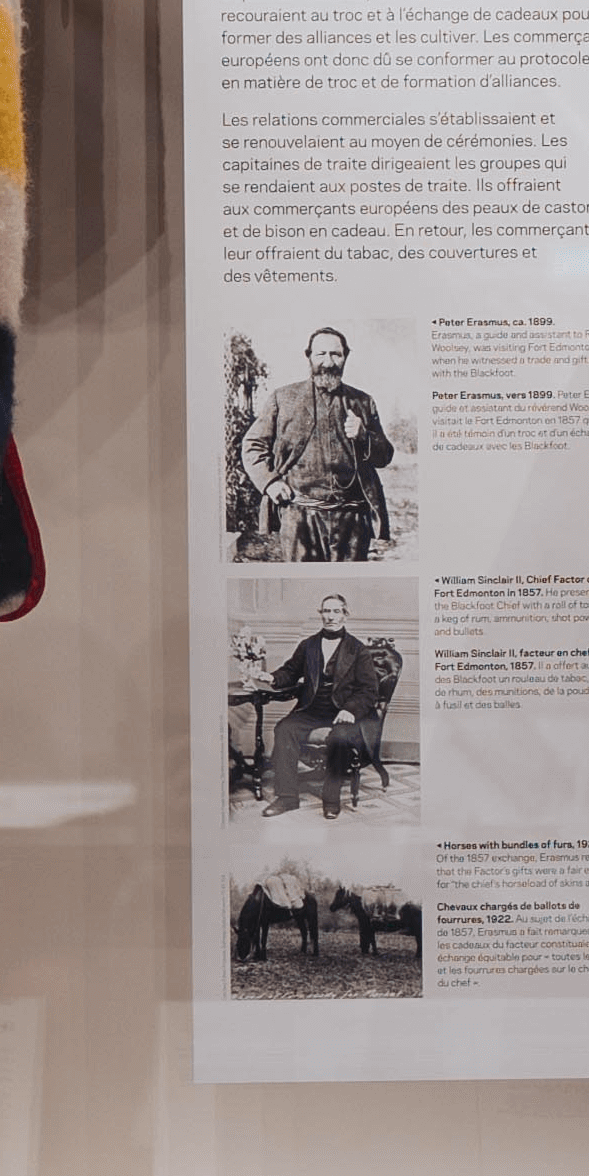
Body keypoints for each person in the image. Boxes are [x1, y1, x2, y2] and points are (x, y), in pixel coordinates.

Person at [248, 328, 399, 559]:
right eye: (321, 354)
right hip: (299, 515)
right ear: (308, 356)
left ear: (345, 357)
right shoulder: (283, 398)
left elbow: (385, 456)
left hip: (353, 518)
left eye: (336, 354)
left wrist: (364, 436)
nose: (328, 362)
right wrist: (270, 483)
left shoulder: (363, 402)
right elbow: (253, 445)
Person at [257, 598, 394, 817]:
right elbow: (291, 671)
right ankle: (287, 798)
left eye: (336, 611)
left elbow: (369, 690)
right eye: (326, 611)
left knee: (340, 738)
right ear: (321, 614)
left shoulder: (358, 649)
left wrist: (350, 710)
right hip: (313, 708)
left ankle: (331, 799)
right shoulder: (308, 645)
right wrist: (271, 677)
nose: (330, 616)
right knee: (284, 729)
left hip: (344, 711)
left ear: (345, 615)